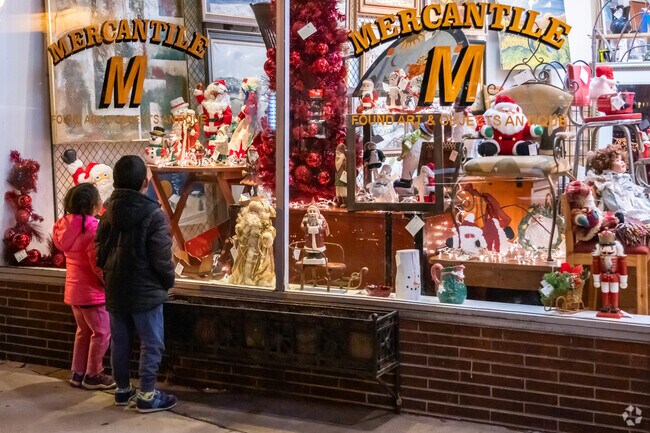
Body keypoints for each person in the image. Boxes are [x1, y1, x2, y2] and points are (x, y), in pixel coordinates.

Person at [95, 155, 177, 412]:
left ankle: (122, 390)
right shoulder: (154, 214)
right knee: (151, 343)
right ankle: (148, 395)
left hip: (116, 288)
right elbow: (162, 258)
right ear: (145, 182)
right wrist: (168, 281)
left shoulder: (107, 214)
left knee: (120, 342)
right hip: (146, 291)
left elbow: (99, 254)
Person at [53, 183, 116, 390]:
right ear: (92, 205)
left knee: (84, 332)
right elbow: (96, 263)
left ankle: (77, 372)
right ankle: (93, 374)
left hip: (74, 291)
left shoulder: (64, 225)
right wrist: (107, 282)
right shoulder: (91, 227)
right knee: (102, 332)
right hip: (91, 293)